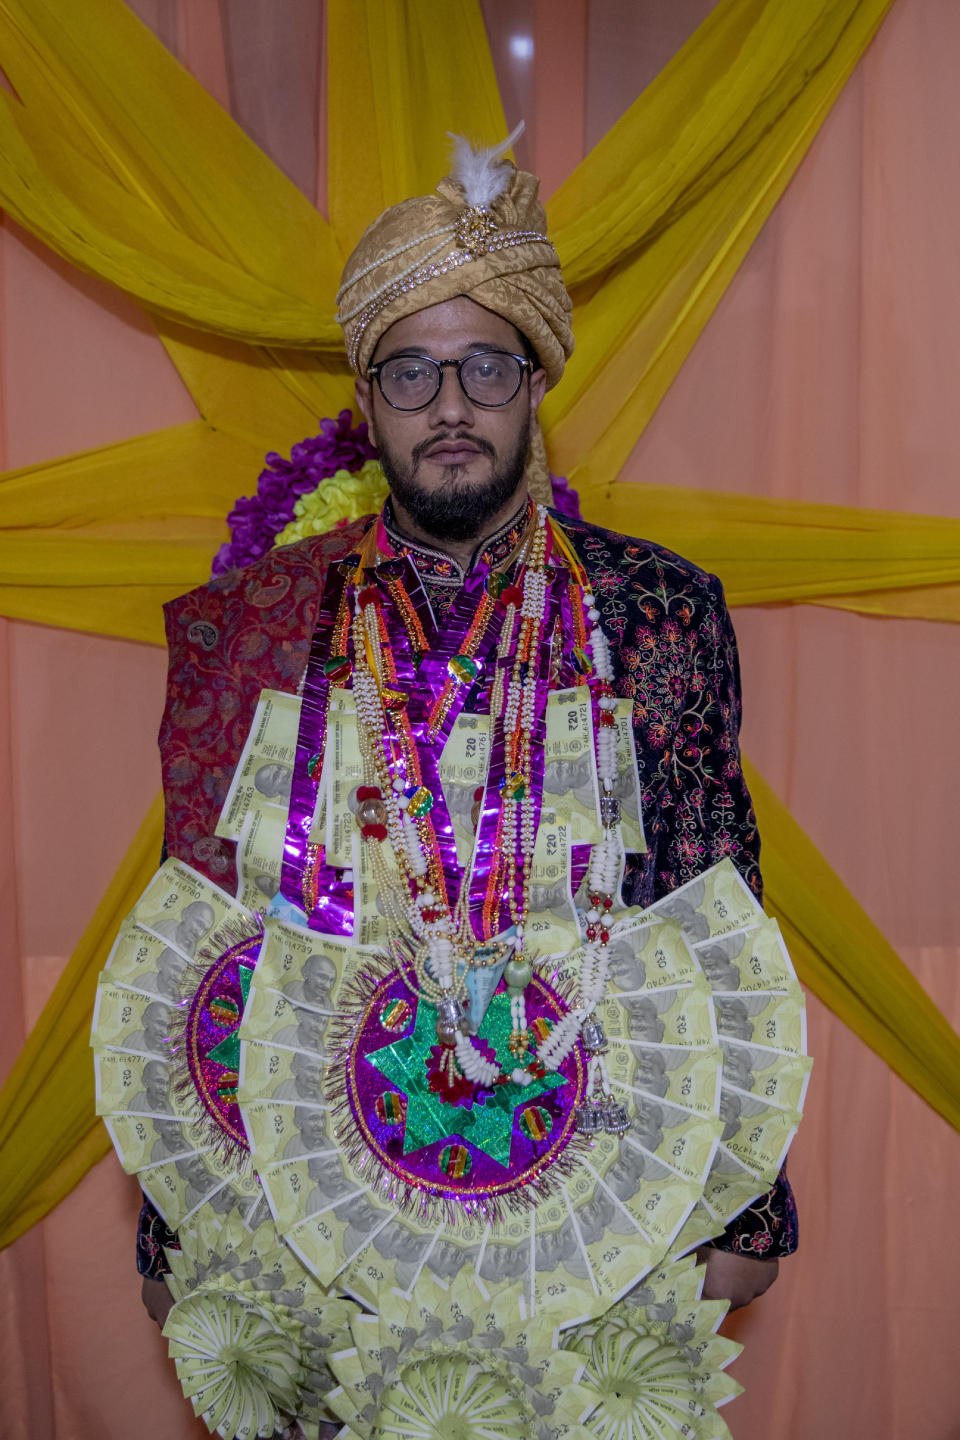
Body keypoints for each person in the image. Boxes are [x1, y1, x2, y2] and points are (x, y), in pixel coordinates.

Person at [140, 138, 796, 1330]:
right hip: (318, 1213)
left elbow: (719, 898)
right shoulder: (262, 626)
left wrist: (747, 1211)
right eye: (411, 374)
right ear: (365, 398)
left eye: (486, 368)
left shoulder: (652, 610)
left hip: (601, 1198)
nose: (450, 407)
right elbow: (206, 928)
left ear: (537, 381)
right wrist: (177, 1222)